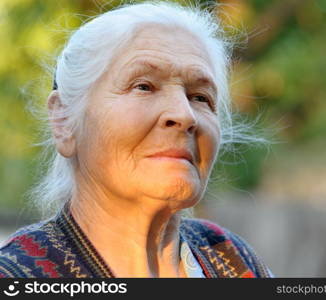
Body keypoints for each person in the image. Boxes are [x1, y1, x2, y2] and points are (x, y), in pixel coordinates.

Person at [0, 1, 273, 278]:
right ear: (63, 121)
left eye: (200, 97)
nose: (185, 115)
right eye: (143, 86)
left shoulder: (230, 258)